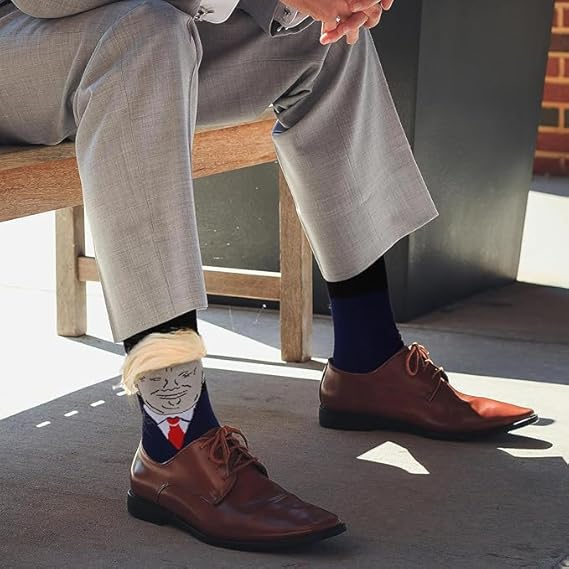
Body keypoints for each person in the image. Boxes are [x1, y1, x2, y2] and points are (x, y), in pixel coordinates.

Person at [0, 0, 537, 552]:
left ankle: (369, 360)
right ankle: (174, 437)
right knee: (143, 34)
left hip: (96, 43)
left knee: (319, 37)